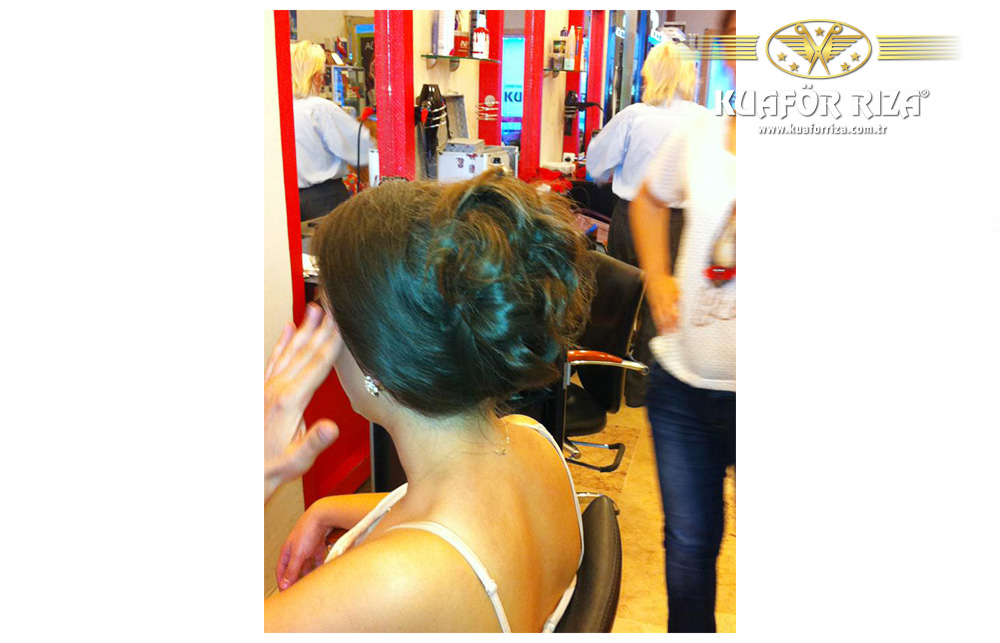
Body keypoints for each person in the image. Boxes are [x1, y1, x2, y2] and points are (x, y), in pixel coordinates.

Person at [263, 169, 596, 632]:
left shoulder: (394, 580)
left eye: (327, 314)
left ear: (379, 358)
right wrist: (327, 507)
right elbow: (449, 512)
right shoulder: (534, 441)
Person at [628, 10, 737, 633]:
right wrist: (657, 275)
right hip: (684, 388)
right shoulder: (700, 132)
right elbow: (648, 199)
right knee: (690, 551)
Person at [584, 40, 707, 406]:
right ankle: (641, 389)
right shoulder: (705, 120)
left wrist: (622, 168)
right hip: (680, 223)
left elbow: (595, 164)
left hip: (631, 216)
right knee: (661, 303)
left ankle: (607, 383)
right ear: (689, 76)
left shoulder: (634, 116)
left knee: (622, 298)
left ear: (650, 73)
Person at [290, 40, 374, 222]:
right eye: (322, 74)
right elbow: (363, 150)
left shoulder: (277, 109)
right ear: (315, 77)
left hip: (289, 200)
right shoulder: (321, 109)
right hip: (324, 199)